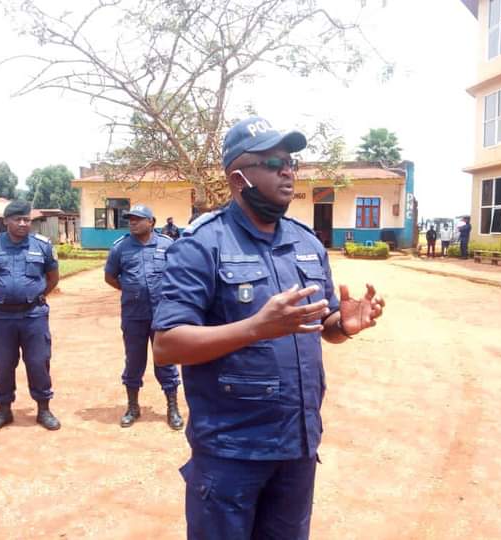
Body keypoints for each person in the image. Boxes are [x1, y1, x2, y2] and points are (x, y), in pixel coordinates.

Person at [152, 116, 385, 540]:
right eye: (274, 163)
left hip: (297, 445)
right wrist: (256, 328)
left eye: (291, 163)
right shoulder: (201, 244)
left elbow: (322, 326)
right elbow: (167, 345)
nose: (288, 172)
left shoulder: (306, 243)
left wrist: (343, 325)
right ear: (238, 178)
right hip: (231, 452)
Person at [0, 200, 61, 433]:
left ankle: (43, 409)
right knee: (3, 363)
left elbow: (53, 278)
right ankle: (3, 410)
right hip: (2, 317)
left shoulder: (42, 246)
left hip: (34, 315)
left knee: (38, 362)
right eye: (17, 219)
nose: (23, 223)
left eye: (26, 220)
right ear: (6, 221)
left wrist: (33, 296)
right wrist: (4, 295)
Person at [104, 204, 183, 430]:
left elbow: (179, 274)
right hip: (133, 315)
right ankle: (133, 407)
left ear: (151, 222)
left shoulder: (168, 245)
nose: (133, 222)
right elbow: (110, 277)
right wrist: (131, 290)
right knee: (134, 361)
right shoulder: (120, 248)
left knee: (165, 360)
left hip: (163, 315)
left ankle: (172, 407)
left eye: (138, 219)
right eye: (130, 219)